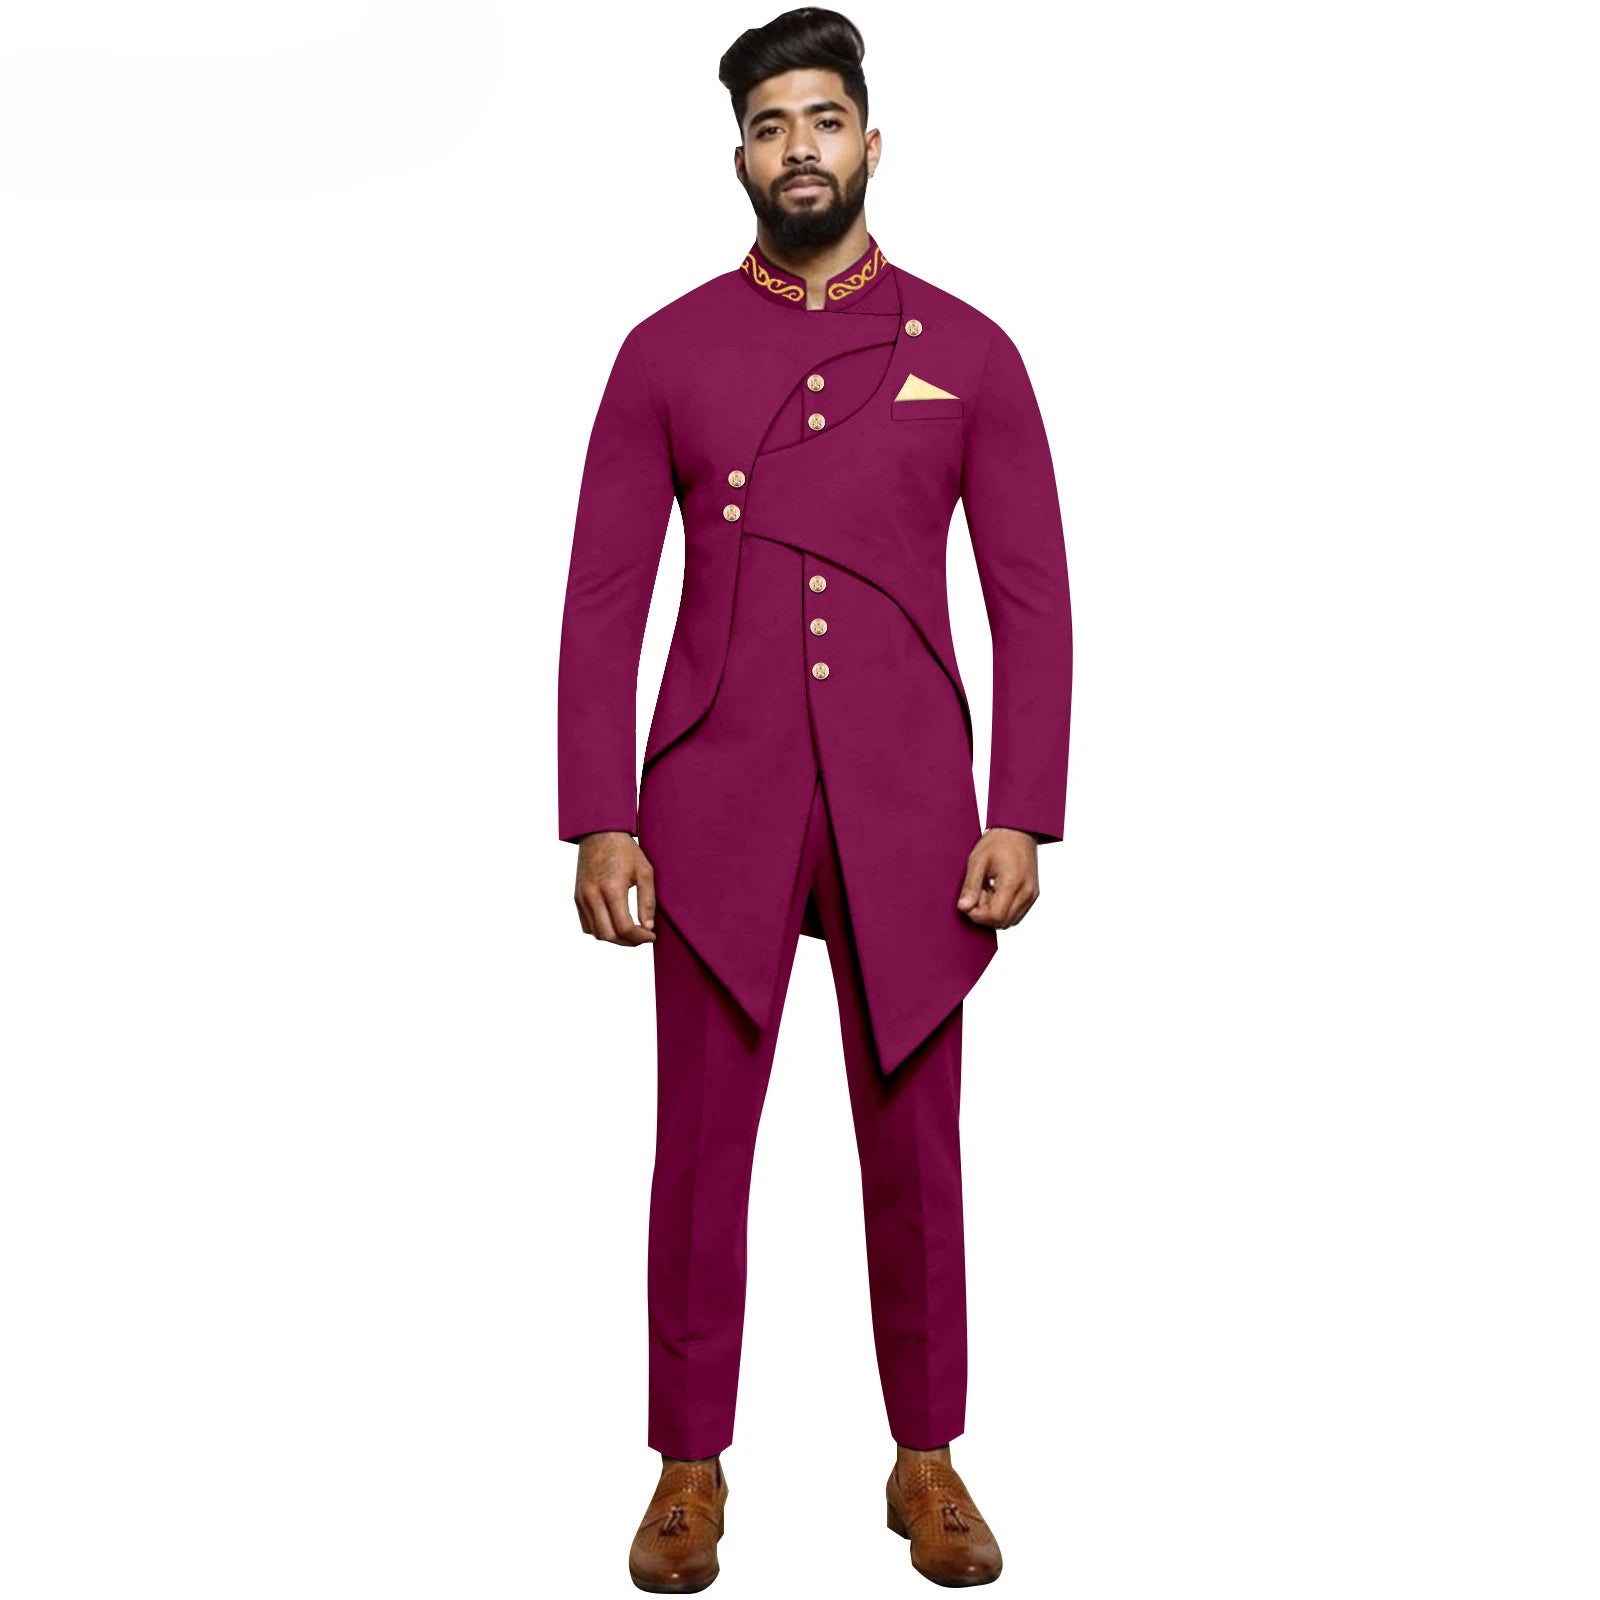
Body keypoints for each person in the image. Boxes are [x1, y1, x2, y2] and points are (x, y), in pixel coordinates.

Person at [556, 7, 1073, 1589]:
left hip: (914, 806)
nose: (800, 148)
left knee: (920, 1158)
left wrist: (1021, 808)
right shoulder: (664, 350)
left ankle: (928, 1458)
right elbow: (603, 599)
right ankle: (686, 1468)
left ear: (871, 143)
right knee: (698, 1153)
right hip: (715, 792)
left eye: (824, 120)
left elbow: (1033, 597)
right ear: (740, 156)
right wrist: (600, 812)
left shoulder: (970, 350)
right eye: (772, 123)